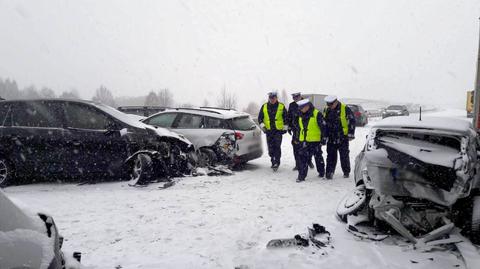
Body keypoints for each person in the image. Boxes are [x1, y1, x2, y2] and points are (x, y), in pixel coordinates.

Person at [323, 95, 356, 179]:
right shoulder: (326, 109)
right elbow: (324, 123)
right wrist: (324, 135)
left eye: (331, 104)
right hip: (331, 137)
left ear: (336, 102)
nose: (329, 106)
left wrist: (351, 134)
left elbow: (352, 121)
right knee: (330, 156)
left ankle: (346, 172)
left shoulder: (345, 108)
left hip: (342, 137)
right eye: (328, 104)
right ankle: (329, 173)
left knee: (344, 156)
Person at [295, 99, 326, 182]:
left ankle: (322, 172)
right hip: (304, 140)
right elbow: (299, 128)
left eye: (302, 108)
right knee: (302, 158)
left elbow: (323, 127)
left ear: (307, 106)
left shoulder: (317, 114)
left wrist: (323, 138)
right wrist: (297, 137)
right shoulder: (300, 114)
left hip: (315, 141)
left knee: (318, 157)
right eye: (300, 108)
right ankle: (301, 176)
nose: (301, 110)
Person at [258, 91, 288, 170]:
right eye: (271, 98)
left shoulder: (281, 106)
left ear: (276, 98)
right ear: (269, 98)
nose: (272, 99)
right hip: (269, 131)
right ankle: (273, 160)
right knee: (270, 148)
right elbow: (260, 119)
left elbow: (286, 118)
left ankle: (276, 162)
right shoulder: (264, 106)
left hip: (278, 131)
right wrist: (263, 128)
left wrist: (284, 129)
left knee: (277, 147)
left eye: (273, 98)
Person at [287, 92, 314, 171]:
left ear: (300, 96)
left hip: (306, 129)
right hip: (296, 130)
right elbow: (289, 116)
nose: (295, 99)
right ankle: (297, 164)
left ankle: (309, 161)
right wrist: (289, 126)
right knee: (296, 148)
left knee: (307, 147)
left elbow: (312, 114)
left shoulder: (307, 103)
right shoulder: (292, 105)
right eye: (294, 98)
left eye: (297, 97)